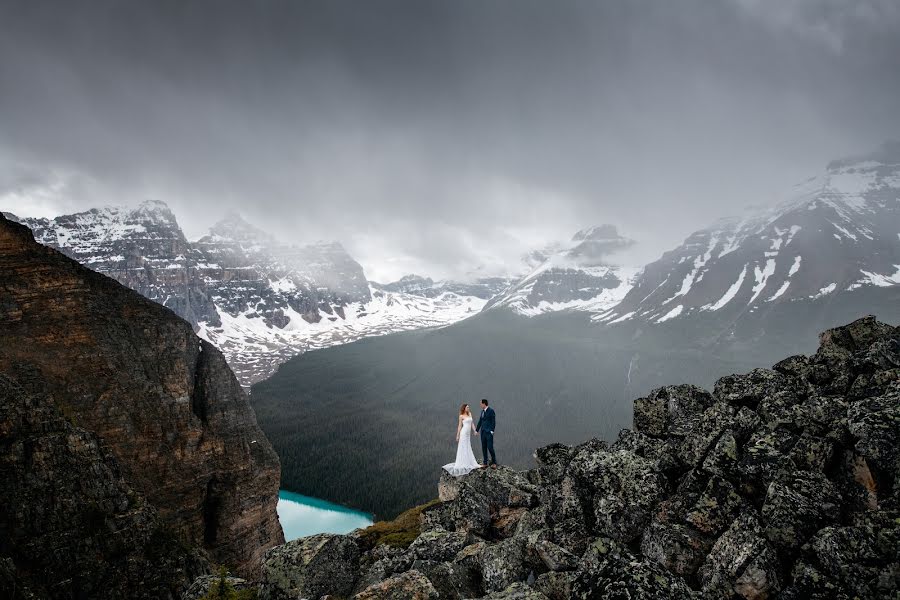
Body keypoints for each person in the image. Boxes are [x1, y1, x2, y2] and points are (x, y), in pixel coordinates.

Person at [442, 403, 481, 476]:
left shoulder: (469, 414)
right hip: (463, 433)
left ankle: (468, 461)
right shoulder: (461, 416)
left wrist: (475, 431)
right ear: (464, 408)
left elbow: (472, 423)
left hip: (468, 434)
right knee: (463, 447)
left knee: (468, 446)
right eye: (467, 407)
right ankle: (463, 462)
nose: (468, 408)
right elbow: (459, 426)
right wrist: (457, 435)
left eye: (469, 407)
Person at [475, 398, 497, 468]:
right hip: (483, 432)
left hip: (489, 432)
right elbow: (480, 421)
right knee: (484, 447)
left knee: (490, 447)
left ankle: (494, 462)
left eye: (481, 403)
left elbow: (493, 422)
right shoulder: (482, 412)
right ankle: (485, 463)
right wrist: (477, 430)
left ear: (484, 404)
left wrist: (492, 431)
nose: (480, 405)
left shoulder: (491, 411)